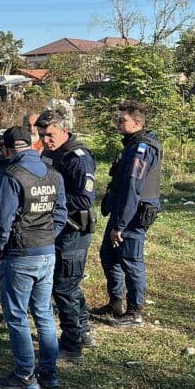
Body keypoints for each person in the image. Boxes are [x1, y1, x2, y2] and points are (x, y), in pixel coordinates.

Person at [0, 126, 67, 389]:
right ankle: (49, 373)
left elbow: (2, 220)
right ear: (31, 144)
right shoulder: (54, 173)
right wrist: (47, 237)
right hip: (47, 252)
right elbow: (61, 214)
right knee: (44, 313)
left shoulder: (11, 175)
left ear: (7, 149)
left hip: (19, 254)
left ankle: (24, 374)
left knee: (17, 316)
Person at [36, 109, 98, 362]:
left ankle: (72, 345)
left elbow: (85, 198)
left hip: (74, 229)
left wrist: (50, 196)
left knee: (64, 287)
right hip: (59, 227)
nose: (46, 140)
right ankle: (83, 331)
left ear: (64, 130)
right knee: (68, 284)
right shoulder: (50, 152)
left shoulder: (78, 157)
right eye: (41, 135)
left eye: (50, 134)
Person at [95, 101, 162, 327]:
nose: (117, 124)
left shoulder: (141, 149)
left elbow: (133, 187)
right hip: (121, 211)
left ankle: (135, 312)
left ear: (137, 123)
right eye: (118, 119)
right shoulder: (131, 145)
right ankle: (115, 303)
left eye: (122, 120)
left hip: (133, 215)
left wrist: (120, 226)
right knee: (109, 255)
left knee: (131, 261)